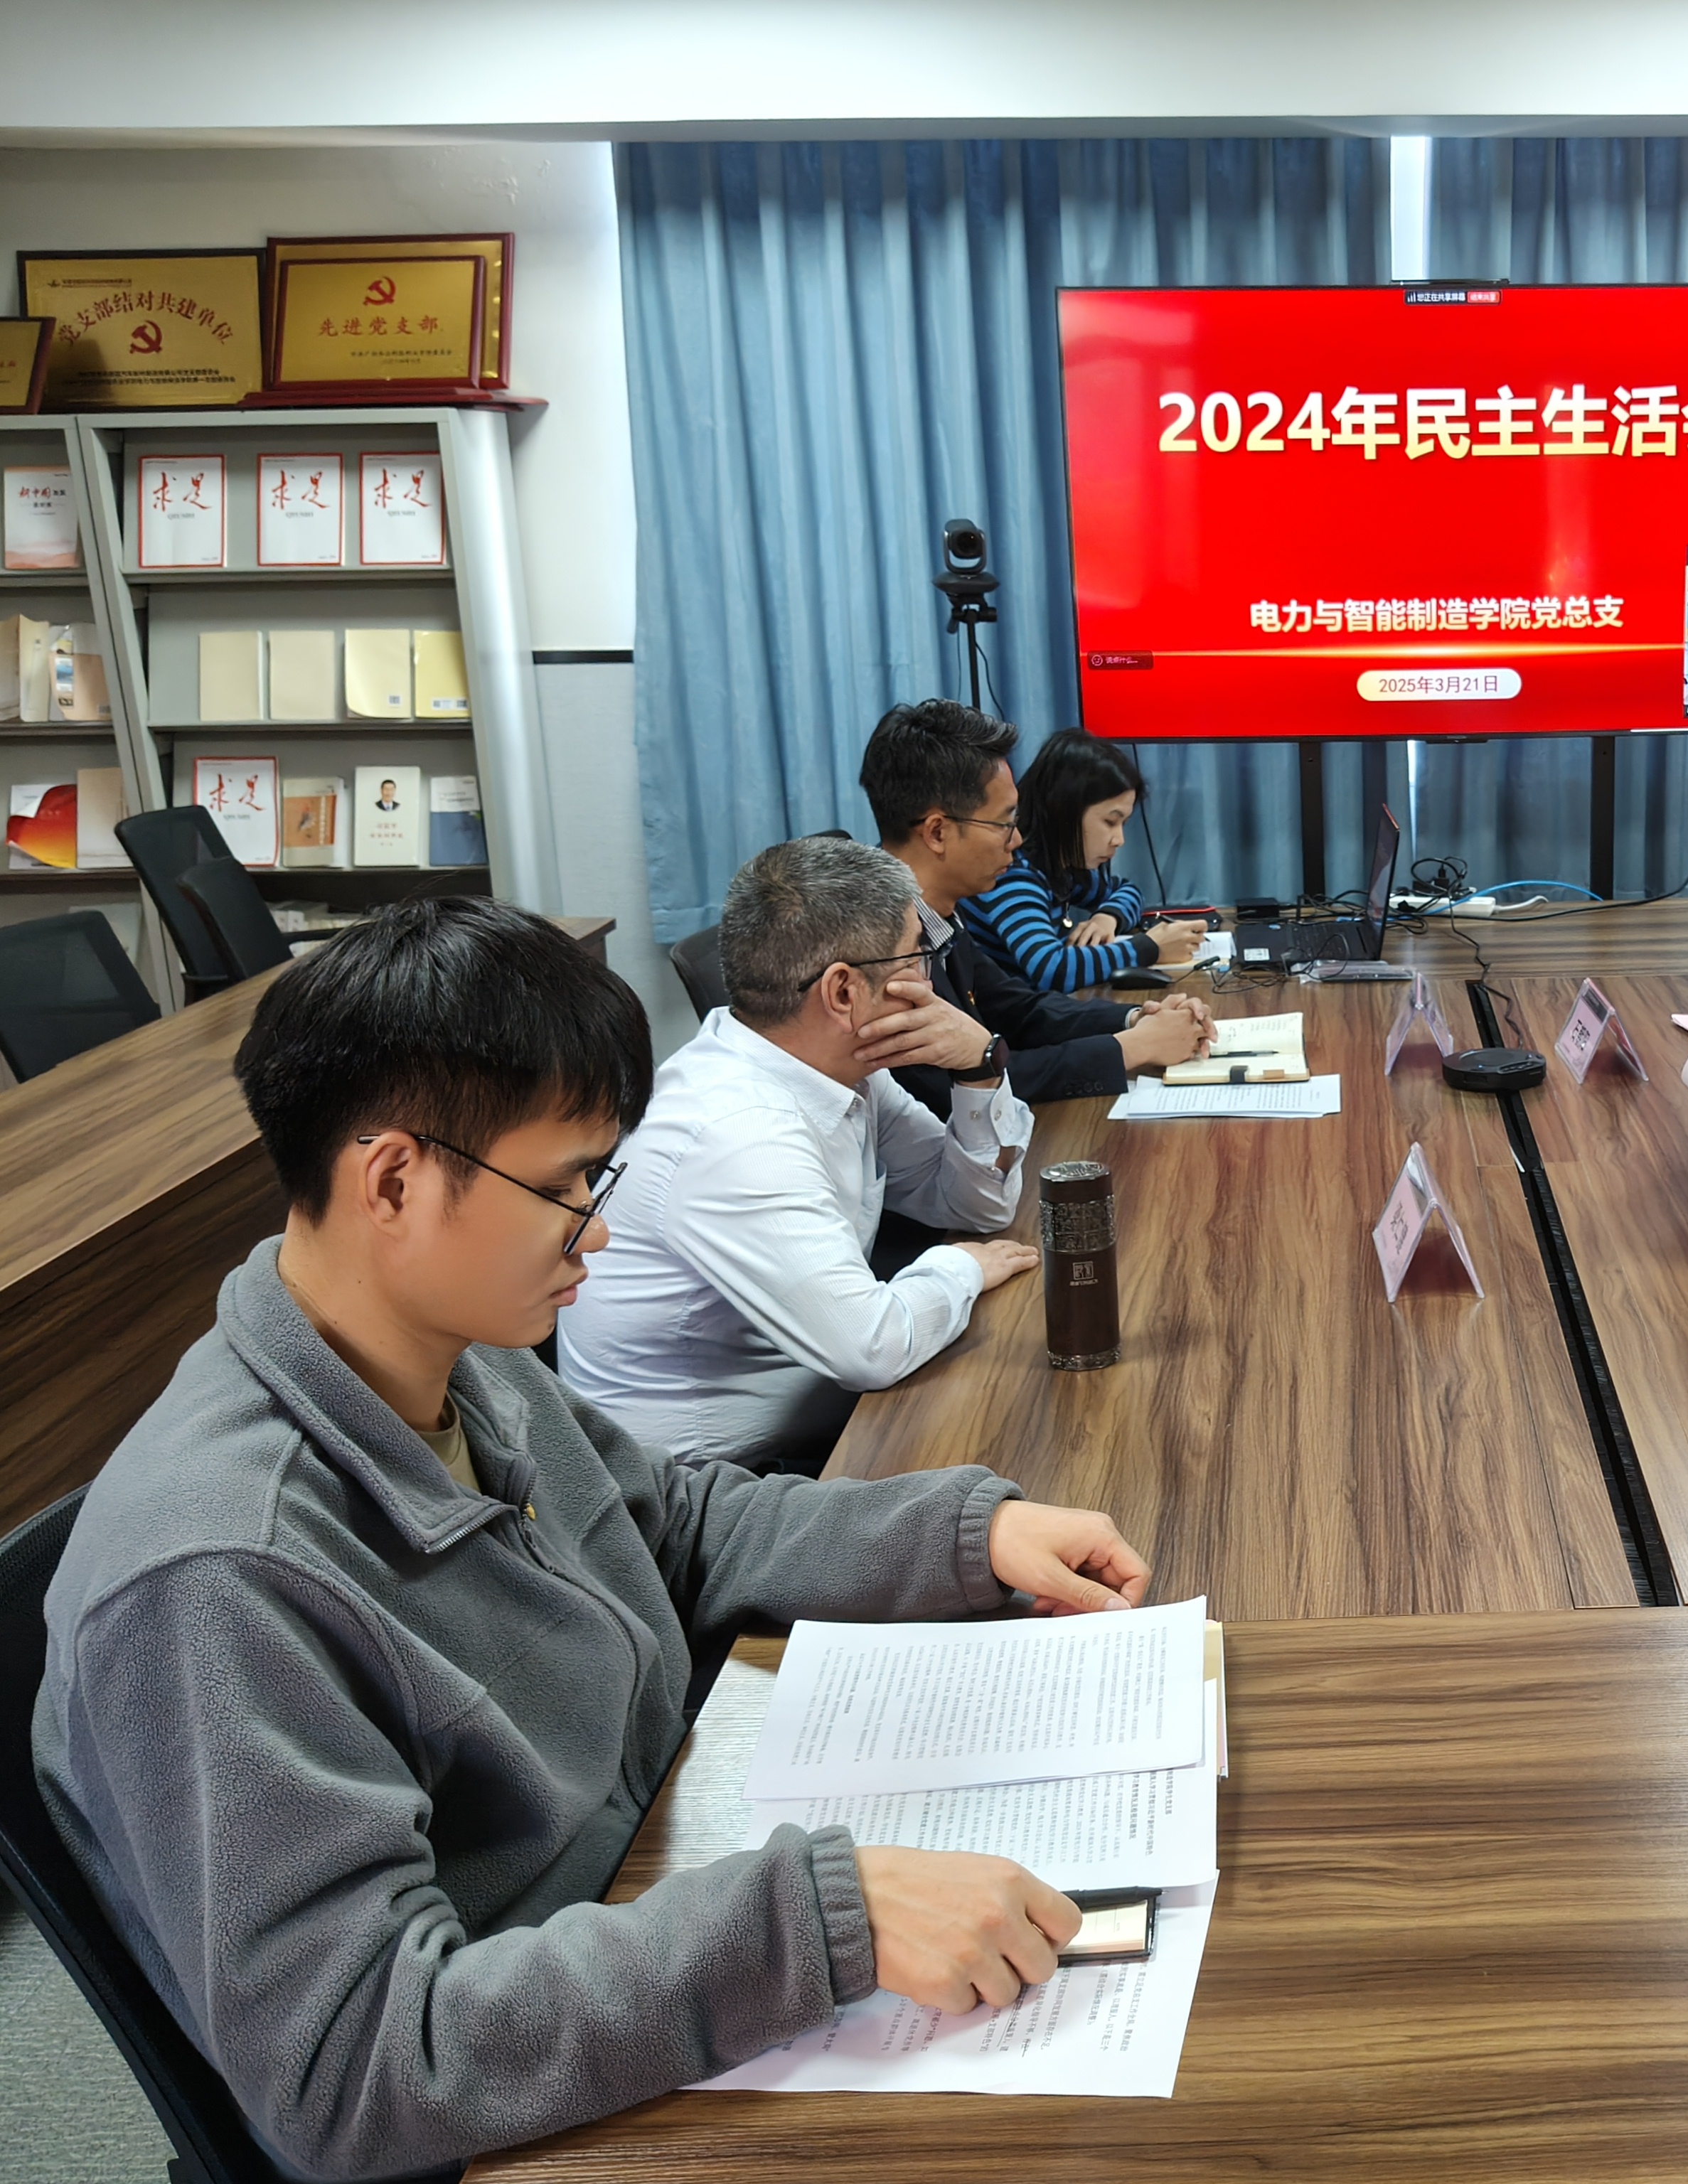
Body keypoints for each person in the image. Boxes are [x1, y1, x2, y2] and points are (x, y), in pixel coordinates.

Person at [38, 899, 1150, 2183]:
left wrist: (966, 1535)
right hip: (522, 2114)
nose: (600, 1228)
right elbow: (354, 2070)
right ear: (393, 1181)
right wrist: (817, 1922)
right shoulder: (217, 1575)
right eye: (565, 1186)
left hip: (650, 1901)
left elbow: (671, 1524)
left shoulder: (453, 1350)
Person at [557, 835, 1038, 1472]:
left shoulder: (842, 1071)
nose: (930, 979)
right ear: (843, 993)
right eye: (918, 954)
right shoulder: (737, 1133)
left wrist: (978, 1066)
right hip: (711, 1485)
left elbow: (977, 1204)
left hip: (821, 1411)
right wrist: (960, 1267)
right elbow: (872, 1348)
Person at [857, 699, 1213, 1110]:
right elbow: (954, 1093)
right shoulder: (879, 954)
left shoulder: (937, 917)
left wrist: (1138, 1019)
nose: (1017, 839)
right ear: (937, 833)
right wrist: (1132, 1049)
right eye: (1004, 823)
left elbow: (1019, 1009)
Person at [959, 729, 1207, 993]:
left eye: (1123, 824)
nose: (1119, 840)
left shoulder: (1060, 869)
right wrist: (1150, 948)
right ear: (1065, 811)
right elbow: (1051, 970)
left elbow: (1128, 891)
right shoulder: (1011, 874)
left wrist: (1107, 917)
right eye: (1110, 822)